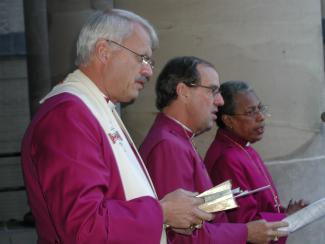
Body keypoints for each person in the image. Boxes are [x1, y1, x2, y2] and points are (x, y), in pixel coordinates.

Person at [21, 9, 214, 244]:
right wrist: (162, 212)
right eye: (141, 58)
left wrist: (168, 218)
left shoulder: (95, 107)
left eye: (149, 61)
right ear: (103, 51)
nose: (148, 71)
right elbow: (84, 227)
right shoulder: (68, 115)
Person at [140, 56, 288, 244]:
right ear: (183, 91)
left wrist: (227, 197)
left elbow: (204, 207)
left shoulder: (180, 138)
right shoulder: (168, 146)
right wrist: (245, 232)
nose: (219, 101)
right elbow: (183, 236)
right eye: (213, 91)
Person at [204, 80, 307, 243]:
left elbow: (261, 202)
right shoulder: (226, 159)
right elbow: (242, 224)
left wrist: (283, 213)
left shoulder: (244, 147)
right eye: (251, 112)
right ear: (229, 120)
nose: (261, 117)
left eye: (260, 108)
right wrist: (286, 218)